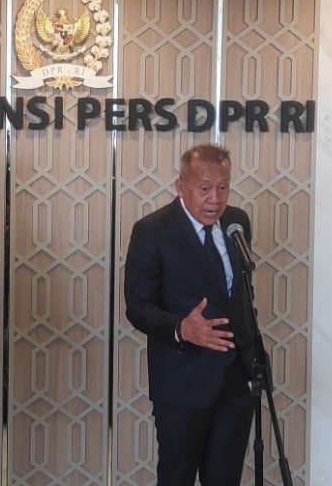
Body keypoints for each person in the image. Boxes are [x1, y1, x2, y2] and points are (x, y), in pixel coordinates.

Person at [124, 143, 257, 486]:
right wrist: (181, 328)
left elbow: (241, 295)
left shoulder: (237, 223)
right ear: (180, 186)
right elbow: (138, 307)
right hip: (182, 382)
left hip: (235, 381)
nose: (215, 199)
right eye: (205, 188)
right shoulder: (152, 231)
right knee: (177, 477)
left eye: (223, 187)